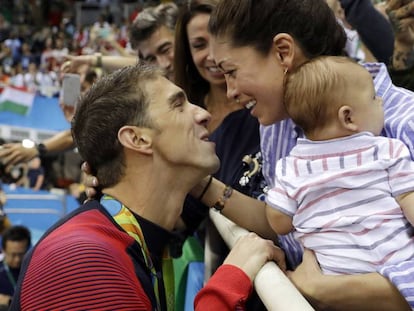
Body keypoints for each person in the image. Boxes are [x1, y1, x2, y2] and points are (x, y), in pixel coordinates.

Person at [190, 0, 414, 309]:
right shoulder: (277, 124)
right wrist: (199, 183)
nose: (229, 91)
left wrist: (319, 287)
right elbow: (282, 219)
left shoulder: (404, 124)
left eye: (232, 71)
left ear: (283, 52)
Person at [9, 64, 285, 310]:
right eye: (178, 105)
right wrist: (230, 280)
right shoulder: (82, 259)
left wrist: (188, 178)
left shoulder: (122, 242)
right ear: (137, 139)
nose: (203, 114)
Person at [265, 55, 414, 275]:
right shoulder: (387, 150)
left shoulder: (292, 167)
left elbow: (279, 222)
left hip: (334, 272)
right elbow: (409, 199)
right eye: (374, 97)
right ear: (348, 118)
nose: (381, 101)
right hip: (396, 262)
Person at [0, 225, 31, 308]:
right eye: (13, 255)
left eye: (21, 254)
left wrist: (9, 301)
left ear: (28, 250)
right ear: (3, 250)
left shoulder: (35, 270)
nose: (17, 259)